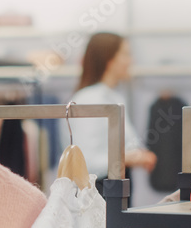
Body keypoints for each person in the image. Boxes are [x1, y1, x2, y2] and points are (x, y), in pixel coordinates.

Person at [65, 32, 156, 193]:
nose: (131, 61)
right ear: (109, 59)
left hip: (114, 189)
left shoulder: (114, 97)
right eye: (126, 54)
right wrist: (131, 157)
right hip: (98, 193)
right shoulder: (88, 99)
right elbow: (86, 162)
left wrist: (137, 155)